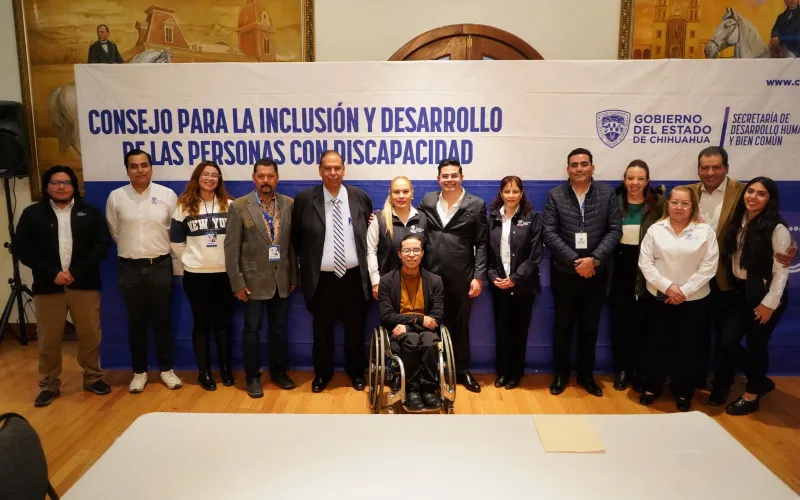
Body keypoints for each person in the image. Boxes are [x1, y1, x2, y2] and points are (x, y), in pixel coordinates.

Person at [685, 147, 796, 401]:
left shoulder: (743, 192)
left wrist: (792, 248)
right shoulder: (687, 192)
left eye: (716, 167)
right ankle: (695, 379)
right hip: (693, 278)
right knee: (697, 334)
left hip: (727, 282)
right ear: (698, 169)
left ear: (726, 168)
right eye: (705, 167)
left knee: (728, 340)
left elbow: (774, 230)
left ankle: (723, 386)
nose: (710, 172)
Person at [15, 165, 111, 407]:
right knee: (48, 339)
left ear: (74, 186)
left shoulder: (90, 212)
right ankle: (48, 384)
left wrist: (75, 272)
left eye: (66, 182)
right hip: (48, 286)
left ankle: (93, 377)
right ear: (47, 186)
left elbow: (102, 245)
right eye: (55, 182)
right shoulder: (32, 214)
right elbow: (23, 248)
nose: (61, 187)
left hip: (84, 284)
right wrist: (53, 273)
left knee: (90, 335)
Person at [542, 148, 622, 397]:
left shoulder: (607, 194)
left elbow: (615, 230)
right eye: (574, 165)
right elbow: (549, 233)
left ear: (592, 167)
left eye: (584, 164)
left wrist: (594, 261)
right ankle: (560, 374)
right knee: (563, 326)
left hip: (596, 274)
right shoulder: (555, 195)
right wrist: (576, 261)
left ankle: (586, 376)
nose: (579, 169)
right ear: (568, 169)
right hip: (565, 273)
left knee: (590, 327)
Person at [291, 150, 373, 393]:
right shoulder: (305, 199)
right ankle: (322, 374)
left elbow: (368, 235)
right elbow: (296, 238)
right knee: (321, 331)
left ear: (344, 170)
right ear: (320, 171)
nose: (333, 172)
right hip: (321, 280)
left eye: (337, 168)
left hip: (353, 278)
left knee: (355, 329)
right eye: (327, 168)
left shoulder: (359, 197)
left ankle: (356, 372)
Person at [106, 149, 181, 393]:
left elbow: (174, 231)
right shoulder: (116, 197)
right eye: (134, 166)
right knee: (136, 322)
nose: (140, 170)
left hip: (160, 265)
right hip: (129, 268)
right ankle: (139, 372)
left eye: (144, 165)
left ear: (151, 167)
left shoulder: (167, 195)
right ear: (127, 170)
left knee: (162, 320)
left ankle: (166, 369)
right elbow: (115, 232)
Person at [638, 187, 718, 412]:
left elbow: (709, 266)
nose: (679, 208)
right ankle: (652, 387)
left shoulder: (704, 231)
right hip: (659, 298)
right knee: (656, 345)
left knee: (687, 348)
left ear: (693, 207)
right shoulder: (656, 230)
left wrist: (684, 291)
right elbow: (646, 263)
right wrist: (668, 287)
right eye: (675, 203)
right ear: (668, 204)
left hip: (693, 301)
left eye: (685, 204)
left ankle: (683, 391)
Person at [715, 178, 791, 416]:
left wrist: (769, 304)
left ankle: (751, 395)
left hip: (765, 296)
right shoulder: (737, 221)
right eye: (750, 191)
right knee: (728, 342)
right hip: (739, 292)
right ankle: (760, 380)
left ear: (770, 199)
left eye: (761, 194)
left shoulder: (777, 229)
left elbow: (781, 272)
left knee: (757, 345)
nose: (753, 197)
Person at [225, 158, 297, 397]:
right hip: (251, 281)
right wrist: (237, 283)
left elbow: (292, 245)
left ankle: (279, 372)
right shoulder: (239, 206)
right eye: (261, 176)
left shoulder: (289, 204)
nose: (266, 180)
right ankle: (252, 376)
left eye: (270, 176)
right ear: (254, 178)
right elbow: (231, 249)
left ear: (277, 178)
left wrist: (293, 276)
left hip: (282, 280)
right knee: (252, 330)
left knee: (279, 329)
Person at [418, 158, 488, 393]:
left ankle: (462, 370)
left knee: (460, 325)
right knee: (432, 325)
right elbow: (413, 224)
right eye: (445, 176)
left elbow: (482, 242)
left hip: (462, 276)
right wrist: (380, 217)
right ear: (438, 179)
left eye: (454, 175)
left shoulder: (476, 204)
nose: (449, 180)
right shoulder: (427, 200)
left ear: (461, 177)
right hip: (430, 276)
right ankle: (432, 374)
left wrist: (478, 276)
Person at [170, 161, 235, 392]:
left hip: (225, 275)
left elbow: (238, 240)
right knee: (201, 323)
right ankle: (204, 372)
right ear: (197, 178)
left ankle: (226, 369)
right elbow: (176, 242)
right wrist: (193, 259)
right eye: (205, 174)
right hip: (196, 276)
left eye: (214, 175)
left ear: (219, 180)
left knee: (224, 324)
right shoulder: (184, 206)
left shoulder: (230, 205)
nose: (210, 179)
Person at [608, 160, 664, 392]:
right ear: (624, 180)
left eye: (640, 178)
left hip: (647, 270)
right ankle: (621, 370)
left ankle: (638, 371)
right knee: (620, 323)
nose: (635, 183)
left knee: (643, 324)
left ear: (647, 181)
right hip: (618, 268)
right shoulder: (613, 201)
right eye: (630, 178)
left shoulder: (659, 204)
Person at [487, 176, 543, 390]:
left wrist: (515, 279)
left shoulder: (532, 217)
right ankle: (502, 373)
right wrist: (494, 277)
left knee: (519, 332)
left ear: (522, 193)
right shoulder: (493, 217)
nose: (511, 195)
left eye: (515, 191)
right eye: (507, 191)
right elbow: (486, 251)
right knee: (501, 332)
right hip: (499, 284)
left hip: (523, 286)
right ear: (501, 193)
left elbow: (535, 254)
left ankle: (515, 374)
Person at [378, 234, 445, 411]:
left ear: (422, 253)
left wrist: (409, 325)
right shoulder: (386, 281)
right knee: (412, 340)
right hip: (399, 333)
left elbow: (437, 315)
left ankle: (428, 390)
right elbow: (387, 316)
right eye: (407, 250)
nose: (412, 254)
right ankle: (411, 390)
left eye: (416, 250)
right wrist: (420, 319)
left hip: (421, 330)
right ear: (400, 254)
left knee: (429, 341)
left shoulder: (435, 280)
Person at [367, 176, 427, 300]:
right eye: (396, 192)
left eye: (405, 191)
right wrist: (376, 282)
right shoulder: (379, 219)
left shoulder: (422, 218)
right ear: (390, 194)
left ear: (412, 193)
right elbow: (370, 251)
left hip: (417, 284)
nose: (401, 196)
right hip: (387, 285)